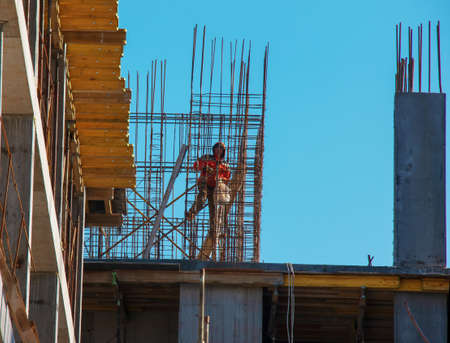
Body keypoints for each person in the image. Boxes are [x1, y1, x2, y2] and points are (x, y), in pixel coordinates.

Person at [186, 142, 231, 228]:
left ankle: (214, 228)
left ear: (223, 151)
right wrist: (204, 167)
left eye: (221, 148)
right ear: (214, 149)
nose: (218, 150)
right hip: (204, 182)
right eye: (217, 148)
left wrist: (221, 179)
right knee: (202, 197)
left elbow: (227, 178)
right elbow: (196, 165)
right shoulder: (207, 158)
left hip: (215, 186)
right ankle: (191, 213)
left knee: (213, 207)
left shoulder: (225, 165)